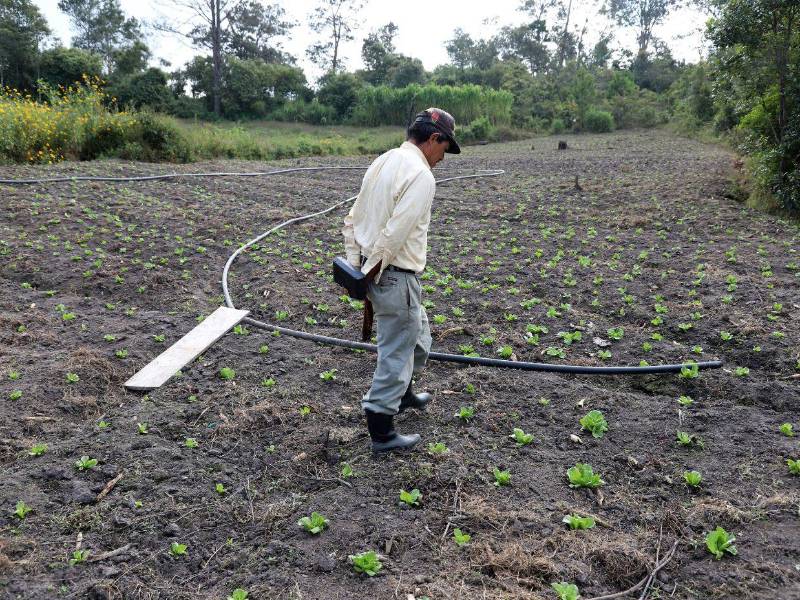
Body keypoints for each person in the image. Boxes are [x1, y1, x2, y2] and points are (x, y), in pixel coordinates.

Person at [342, 107, 461, 452]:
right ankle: (381, 429)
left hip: (377, 269)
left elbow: (354, 217)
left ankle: (403, 393)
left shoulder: (384, 160)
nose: (443, 157)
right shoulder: (421, 176)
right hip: (394, 276)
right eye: (445, 148)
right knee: (396, 353)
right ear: (434, 139)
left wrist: (358, 268)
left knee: (419, 340)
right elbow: (394, 236)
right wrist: (366, 275)